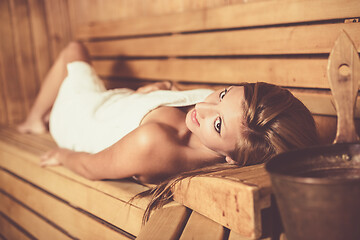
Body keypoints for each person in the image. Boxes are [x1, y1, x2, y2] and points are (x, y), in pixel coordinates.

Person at [18, 41, 318, 189]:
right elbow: (201, 105)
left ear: (232, 159)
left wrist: (61, 155)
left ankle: (35, 120)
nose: (203, 106)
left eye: (217, 124)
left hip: (79, 116)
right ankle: (34, 118)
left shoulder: (155, 144)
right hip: (114, 103)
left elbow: (89, 167)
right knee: (75, 49)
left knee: (73, 49)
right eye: (224, 93)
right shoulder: (229, 124)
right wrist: (165, 90)